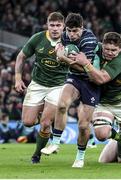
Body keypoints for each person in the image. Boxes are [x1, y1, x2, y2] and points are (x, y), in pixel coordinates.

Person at [41, 13, 100, 168]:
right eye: (69, 31)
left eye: (76, 31)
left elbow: (85, 67)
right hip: (74, 78)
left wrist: (64, 58)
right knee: (61, 105)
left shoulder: (89, 40)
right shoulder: (65, 36)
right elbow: (64, 54)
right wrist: (60, 52)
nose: (72, 35)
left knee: (82, 125)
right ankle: (55, 142)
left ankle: (80, 157)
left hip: (91, 81)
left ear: (82, 28)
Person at [68, 32, 121, 150]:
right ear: (102, 45)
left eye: (114, 50)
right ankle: (119, 137)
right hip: (103, 102)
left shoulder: (120, 60)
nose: (110, 52)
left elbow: (101, 79)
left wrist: (85, 63)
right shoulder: (95, 47)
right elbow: (76, 44)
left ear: (120, 49)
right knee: (101, 135)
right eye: (107, 49)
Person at [15, 12, 66, 163]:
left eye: (58, 25)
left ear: (63, 26)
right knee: (28, 122)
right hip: (37, 84)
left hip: (58, 86)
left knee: (45, 124)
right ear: (47, 25)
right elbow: (21, 57)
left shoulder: (69, 41)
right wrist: (18, 78)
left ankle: (36, 155)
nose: (55, 28)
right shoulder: (38, 38)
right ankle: (45, 115)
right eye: (52, 25)